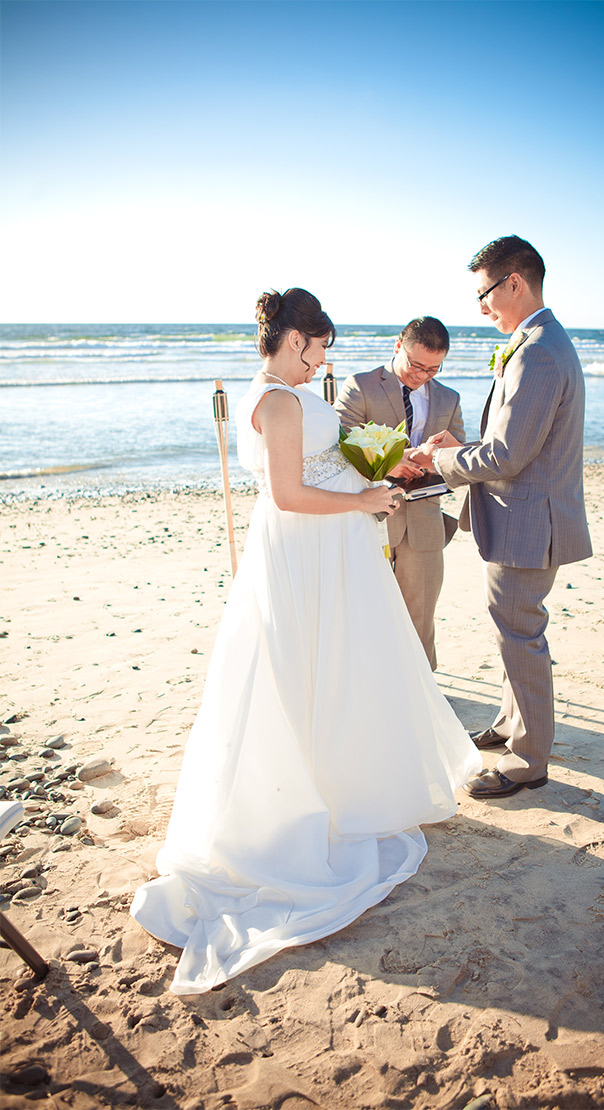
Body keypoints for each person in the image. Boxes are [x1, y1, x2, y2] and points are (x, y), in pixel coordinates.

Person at [130, 289, 481, 994]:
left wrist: (379, 469)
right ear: (297, 341)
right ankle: (304, 799)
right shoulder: (281, 401)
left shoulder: (279, 395)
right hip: (305, 547)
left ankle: (335, 777)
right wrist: (363, 499)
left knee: (323, 667)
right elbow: (288, 492)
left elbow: (322, 465)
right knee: (299, 668)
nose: (325, 358)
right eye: (320, 345)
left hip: (320, 551)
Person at [404, 236, 592, 799]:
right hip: (524, 515)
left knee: (520, 632)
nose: (481, 306)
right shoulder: (537, 341)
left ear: (515, 282)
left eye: (484, 292)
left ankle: (528, 758)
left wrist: (437, 458)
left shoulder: (537, 352)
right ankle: (512, 724)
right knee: (513, 628)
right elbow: (512, 441)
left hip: (529, 521)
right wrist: (462, 444)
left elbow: (508, 456)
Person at [335, 316, 464, 670]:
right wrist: (392, 462)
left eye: (433, 369)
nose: (422, 376)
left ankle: (422, 695)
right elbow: (337, 446)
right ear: (397, 347)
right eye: (416, 365)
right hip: (367, 518)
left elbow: (461, 460)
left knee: (420, 616)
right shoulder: (360, 386)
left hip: (424, 522)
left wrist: (443, 456)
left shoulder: (449, 399)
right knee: (364, 611)